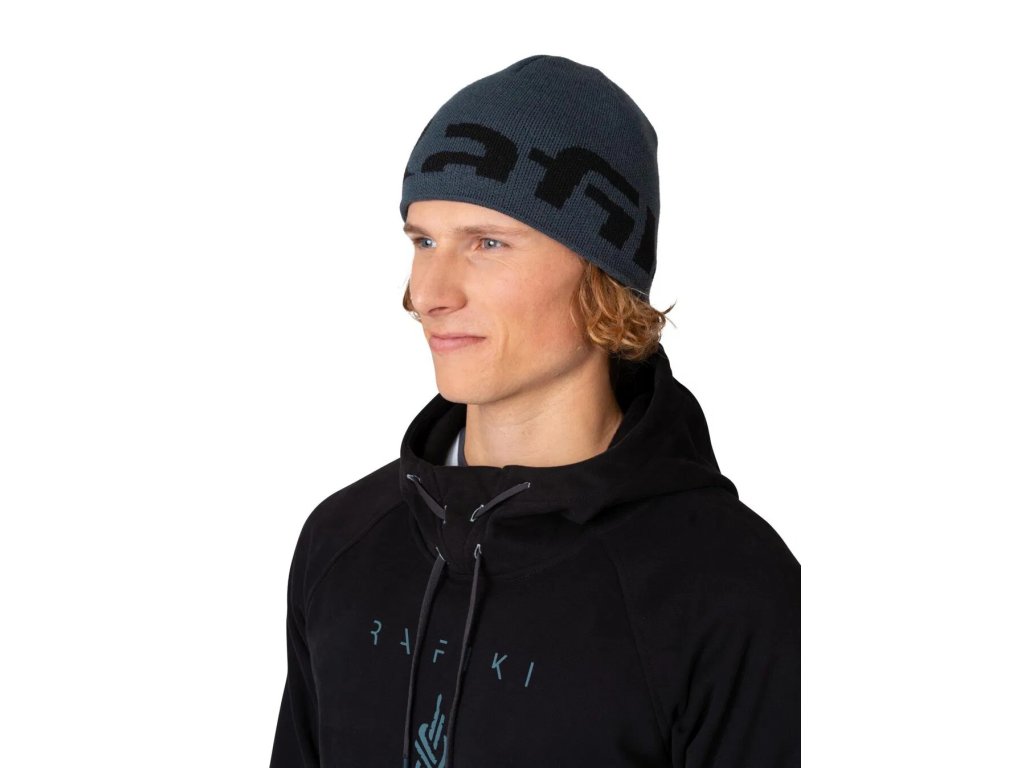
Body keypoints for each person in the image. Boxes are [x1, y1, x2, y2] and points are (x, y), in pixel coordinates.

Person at [270, 54, 800, 767]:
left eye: (487, 243)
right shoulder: (344, 543)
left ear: (600, 271)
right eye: (424, 241)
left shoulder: (728, 588)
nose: (428, 294)